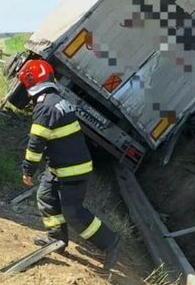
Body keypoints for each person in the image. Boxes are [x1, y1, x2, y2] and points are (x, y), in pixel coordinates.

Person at [17, 59, 121, 270]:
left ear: (30, 82)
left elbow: (36, 143)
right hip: (60, 166)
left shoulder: (44, 106)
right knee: (46, 196)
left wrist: (28, 170)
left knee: (73, 213)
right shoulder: (57, 100)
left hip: (71, 169)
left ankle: (110, 242)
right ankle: (57, 240)